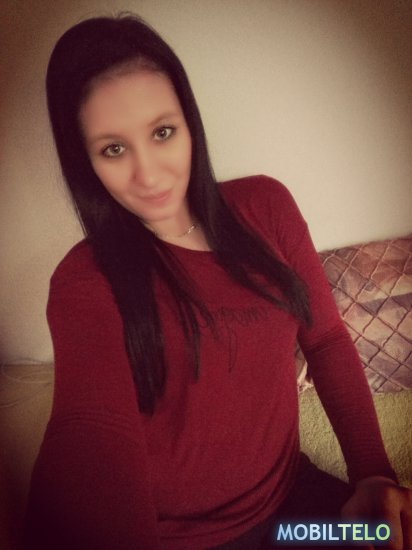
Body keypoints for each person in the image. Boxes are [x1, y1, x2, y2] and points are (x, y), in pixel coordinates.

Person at [24, 14, 411, 550]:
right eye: (113, 149)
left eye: (162, 132)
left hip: (294, 520)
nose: (149, 175)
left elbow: (324, 338)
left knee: (387, 536)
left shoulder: (266, 206)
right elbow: (90, 434)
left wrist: (372, 474)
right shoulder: (84, 282)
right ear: (84, 161)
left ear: (189, 124)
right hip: (185, 542)